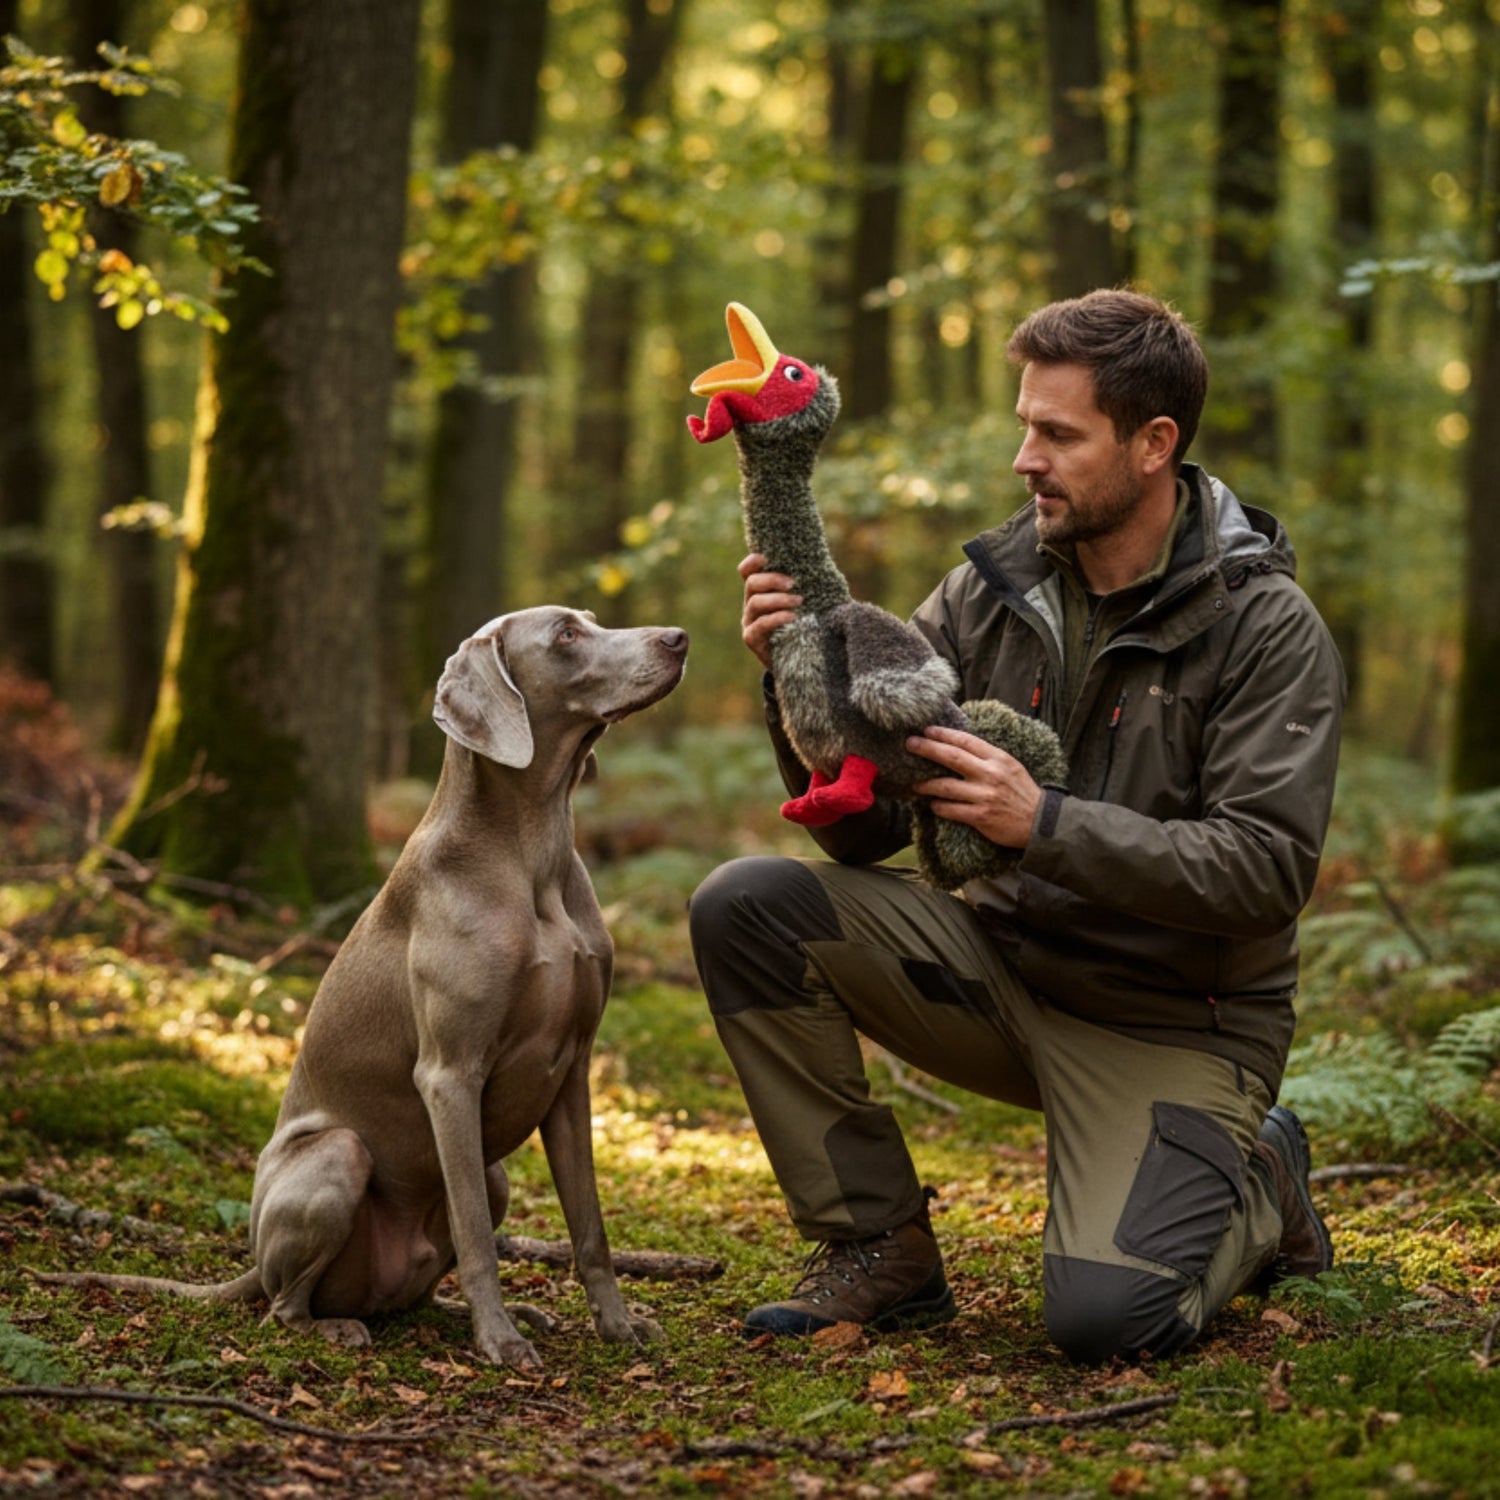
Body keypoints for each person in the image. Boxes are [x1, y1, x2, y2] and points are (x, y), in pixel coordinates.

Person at [687, 288, 1344, 1363]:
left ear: (1153, 444)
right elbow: (863, 839)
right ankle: (876, 1247)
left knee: (1108, 1322)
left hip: (1172, 1022)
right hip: (993, 970)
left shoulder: (1266, 627)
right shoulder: (987, 590)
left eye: (1057, 434)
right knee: (750, 907)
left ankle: (1263, 1179)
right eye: (1023, 425)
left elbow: (1265, 871)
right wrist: (792, 684)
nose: (1023, 459)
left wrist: (1045, 823)